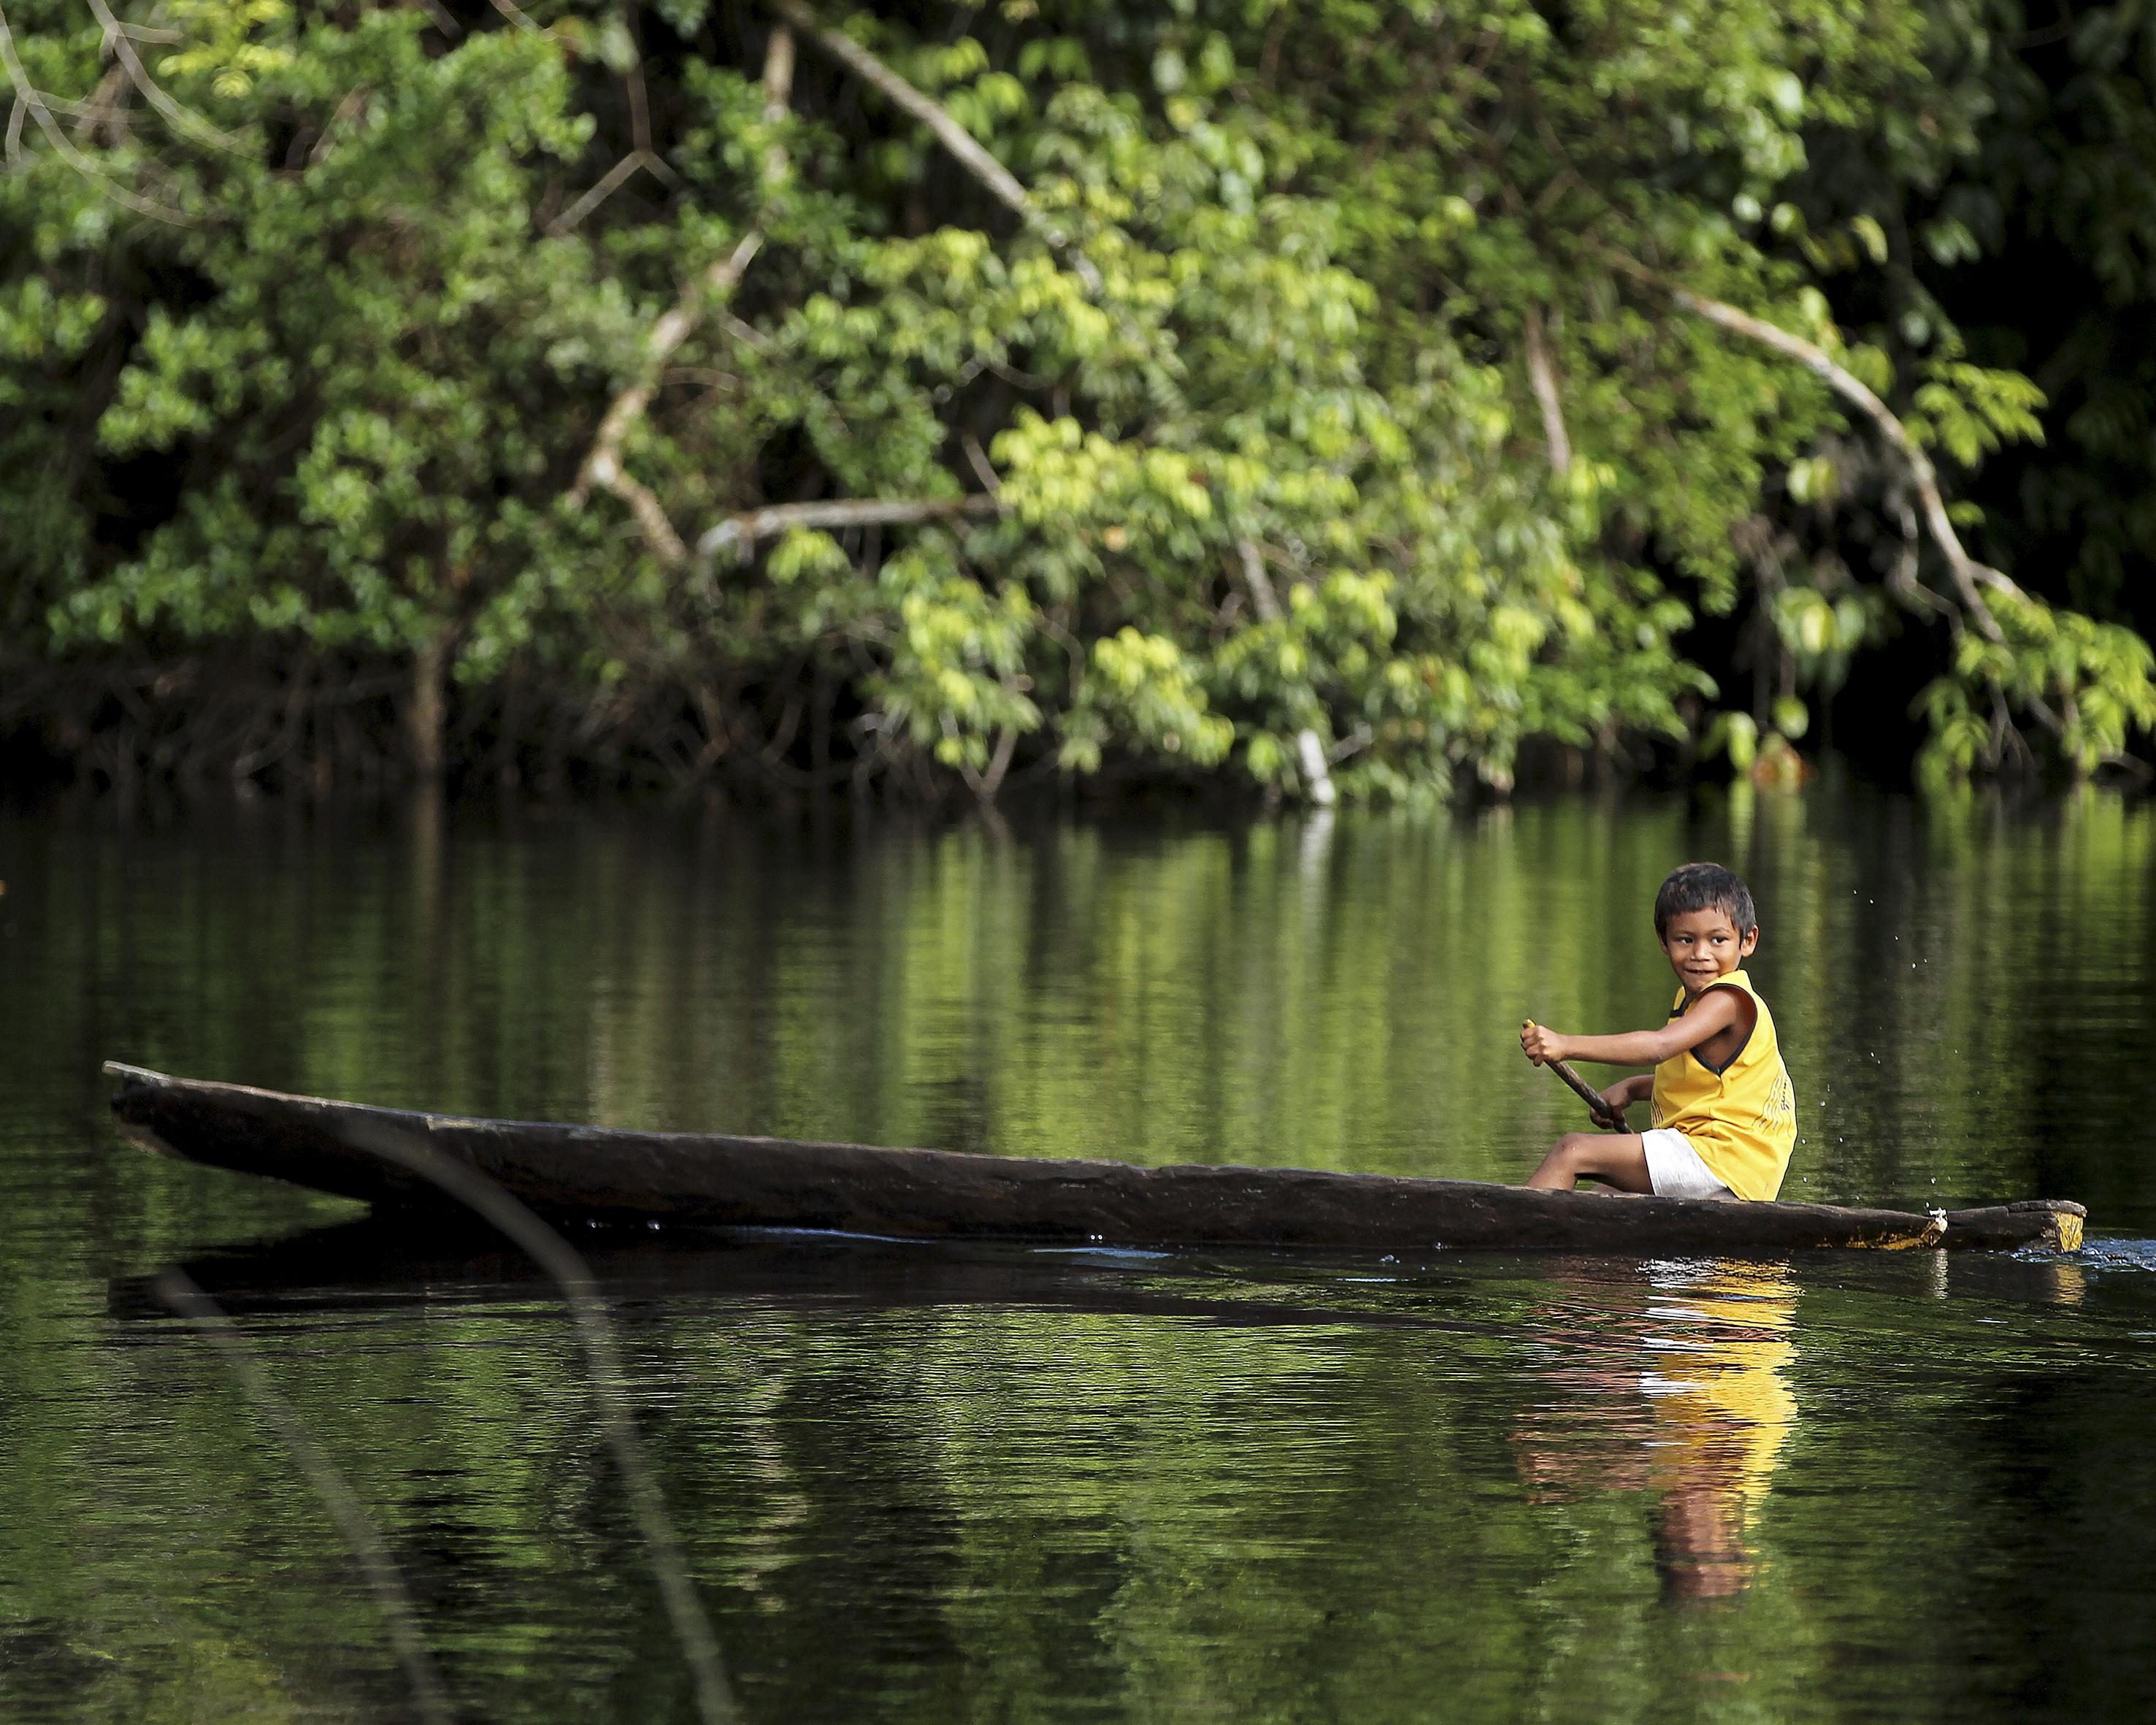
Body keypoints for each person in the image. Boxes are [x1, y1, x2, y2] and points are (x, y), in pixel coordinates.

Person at [1518, 862, 1796, 1198]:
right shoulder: (1691, 998)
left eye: (1718, 940)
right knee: (1606, 1197)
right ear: (1664, 941)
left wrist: (1565, 1045)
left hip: (1721, 1159)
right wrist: (1634, 1089)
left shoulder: (1728, 1000)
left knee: (1572, 1151)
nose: (1700, 954)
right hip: (1718, 1163)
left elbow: (1658, 1047)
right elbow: (1706, 1087)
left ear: (1747, 941)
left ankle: (1504, 1233)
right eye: (1685, 939)